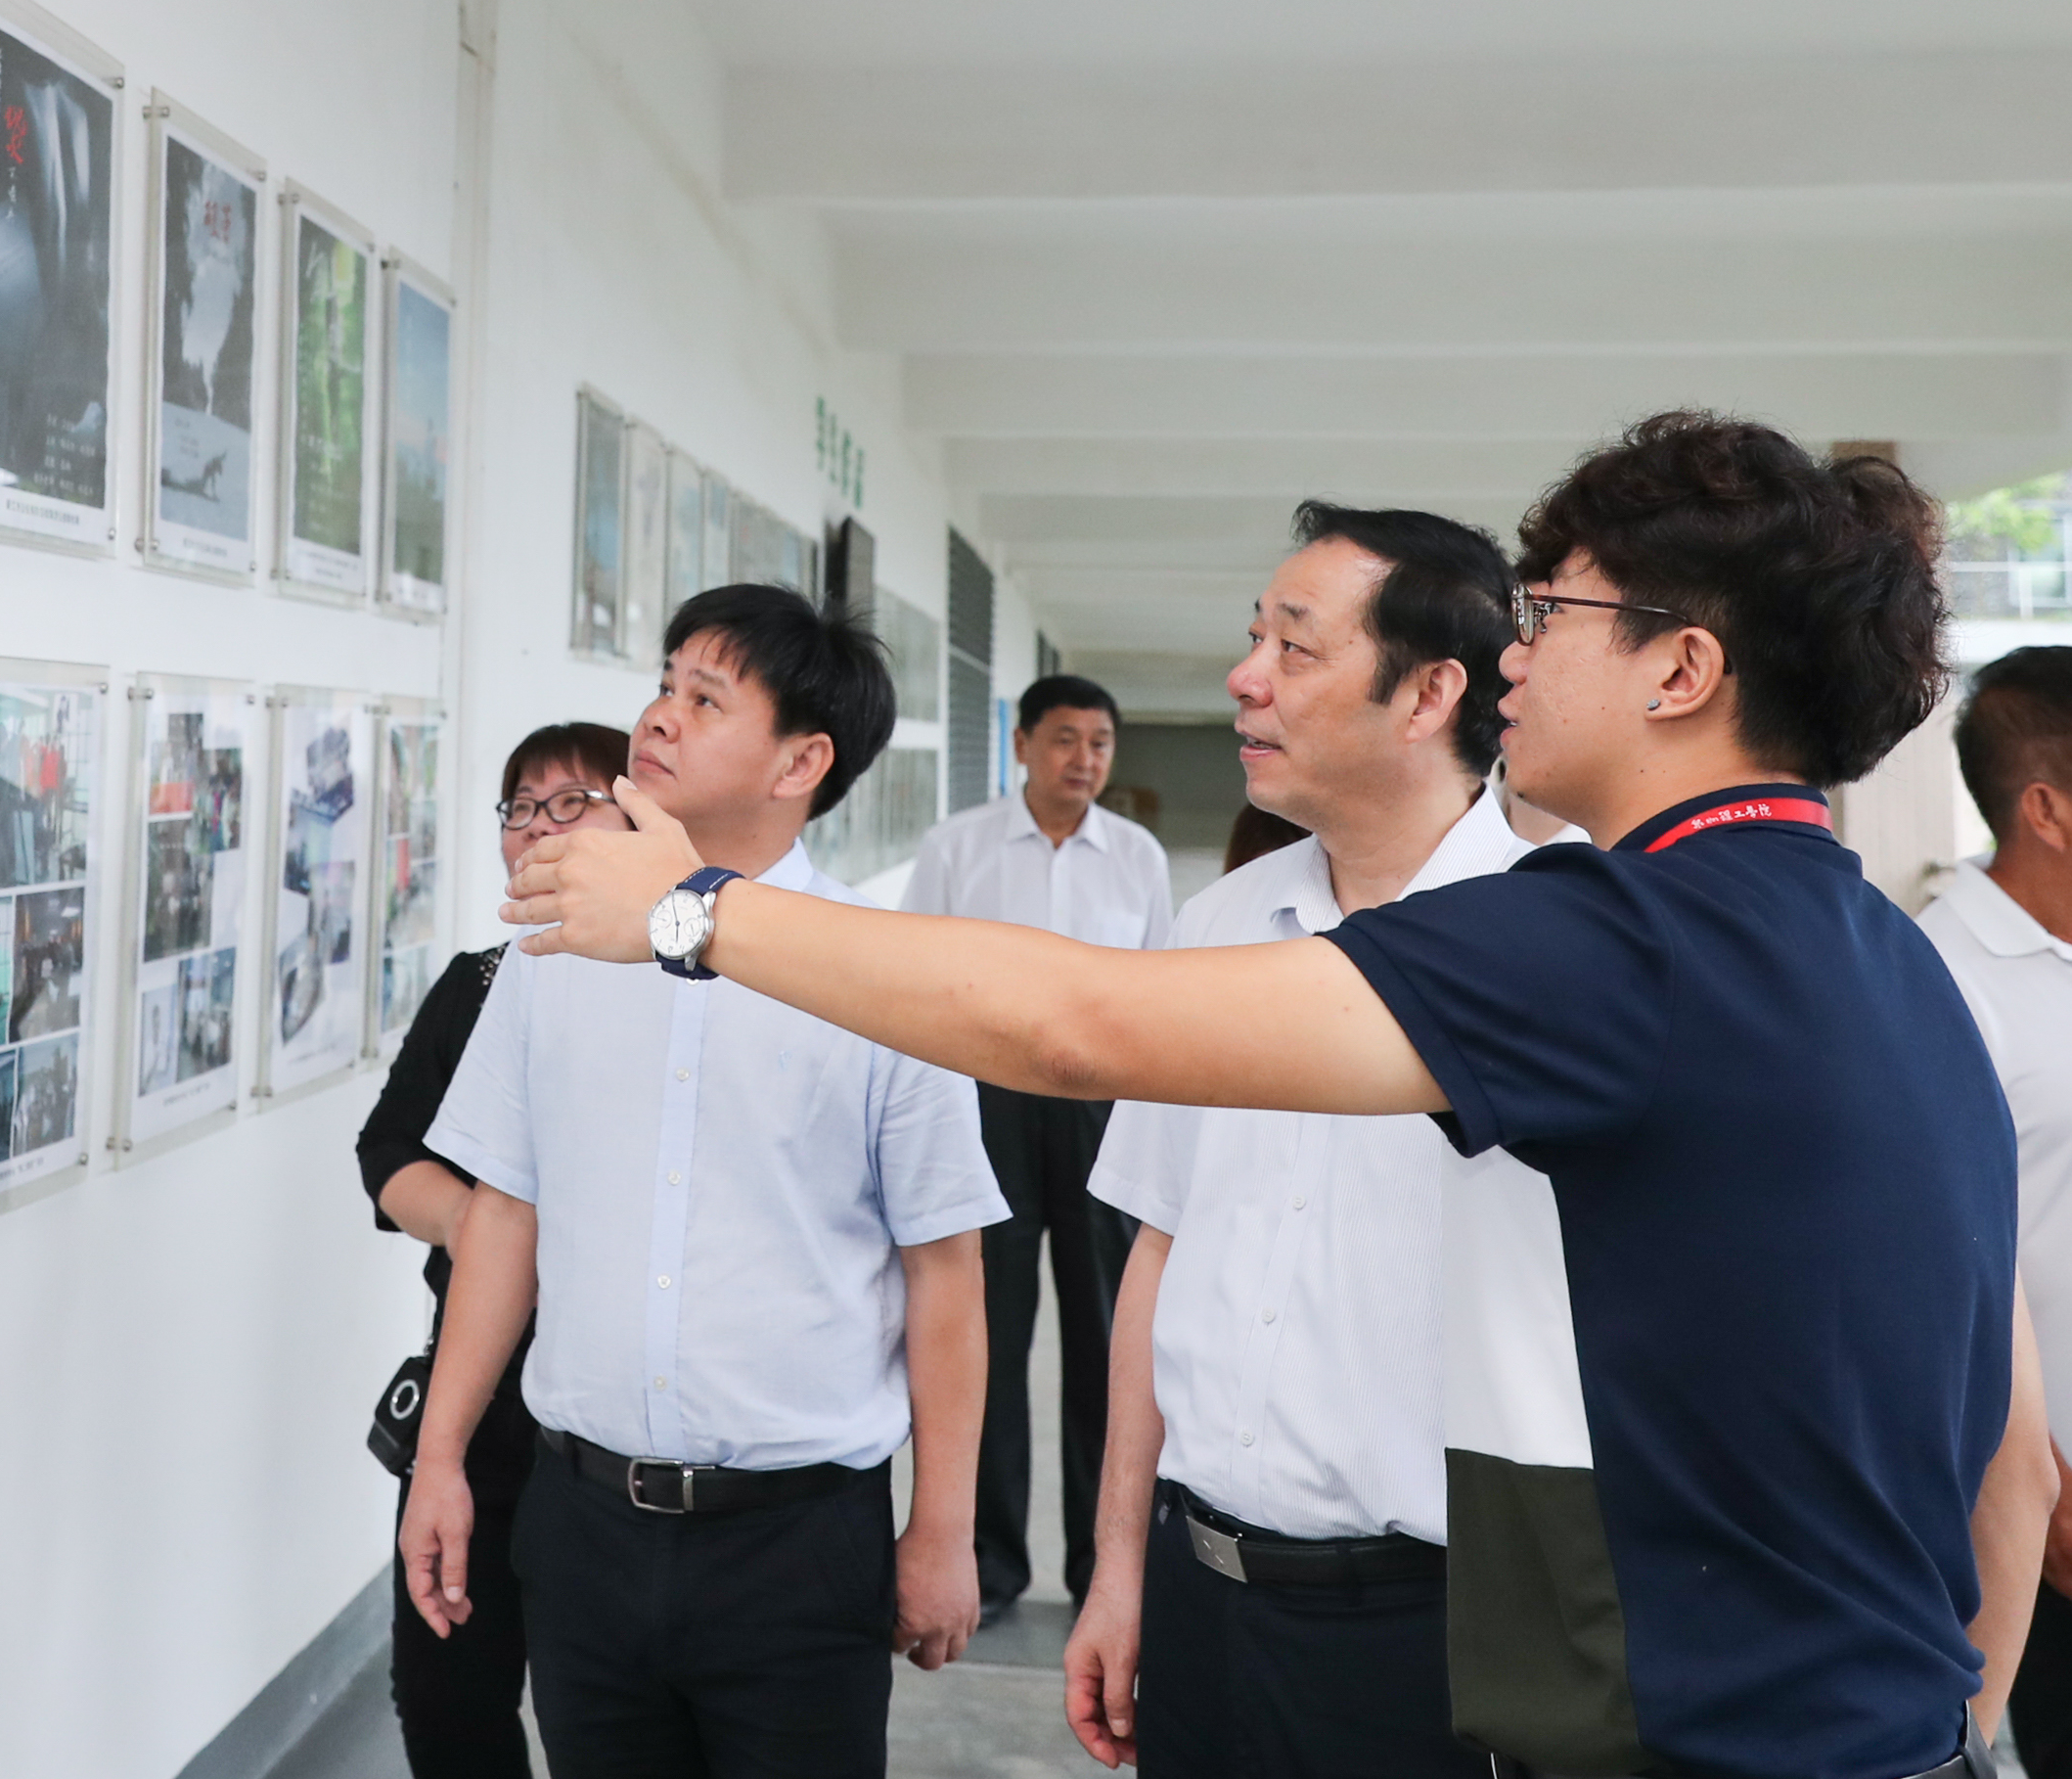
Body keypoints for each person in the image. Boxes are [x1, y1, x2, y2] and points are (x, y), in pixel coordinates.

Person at [504, 413, 2056, 1779]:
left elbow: (1075, 1027)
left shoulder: (1623, 938)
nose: (1516, 656)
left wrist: (692, 912)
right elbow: (2007, 1440)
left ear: (1680, 668)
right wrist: (1958, 1731)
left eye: (1551, 615)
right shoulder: (1895, 959)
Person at [402, 584, 1009, 1779]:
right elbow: (505, 1216)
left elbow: (943, 1271)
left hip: (796, 1543)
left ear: (800, 762)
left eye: (704, 698)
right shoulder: (550, 949)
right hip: (581, 1528)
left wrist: (941, 1531)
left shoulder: (883, 978)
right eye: (663, 684)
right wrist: (441, 1460)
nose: (658, 716)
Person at [1068, 502, 1536, 1777]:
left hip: (1437, 1630)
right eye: (1252, 638)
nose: (1245, 676)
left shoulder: (1550, 941)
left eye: (1294, 645)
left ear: (1429, 692)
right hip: (1200, 1594)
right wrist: (1118, 1568)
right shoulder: (1216, 928)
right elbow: (1159, 1253)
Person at [358, 720, 634, 1779]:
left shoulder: (695, 986)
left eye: (571, 802)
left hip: (608, 1424)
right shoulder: (480, 984)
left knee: (604, 1714)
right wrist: (477, 1224)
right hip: (476, 1403)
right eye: (521, 806)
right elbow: (388, 1149)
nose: (537, 827)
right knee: (445, 1693)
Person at [900, 672, 1171, 1619]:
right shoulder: (957, 847)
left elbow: (1157, 995)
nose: (1083, 759)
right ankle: (989, 1560)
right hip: (987, 1106)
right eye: (1064, 739)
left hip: (1100, 1111)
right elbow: (915, 975)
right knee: (991, 1330)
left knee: (1104, 1340)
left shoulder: (1136, 856)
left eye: (1099, 742)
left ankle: (1105, 1564)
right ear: (1020, 745)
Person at [1925, 647, 2072, 1779]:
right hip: (2050, 1513)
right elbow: (1932, 1274)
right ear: (2046, 810)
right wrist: (2040, 1488)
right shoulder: (1935, 976)